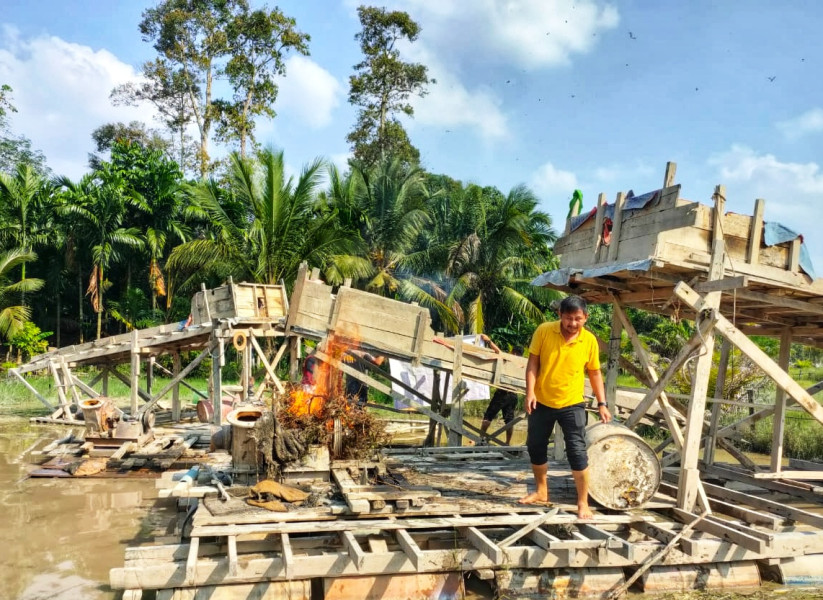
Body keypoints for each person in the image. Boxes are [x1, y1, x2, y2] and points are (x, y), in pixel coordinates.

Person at [519, 295, 611, 519]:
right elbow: (533, 363)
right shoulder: (544, 331)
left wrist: (602, 403)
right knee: (535, 446)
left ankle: (582, 502)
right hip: (542, 400)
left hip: (572, 403)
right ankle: (541, 491)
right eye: (568, 318)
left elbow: (595, 372)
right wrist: (530, 392)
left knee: (577, 451)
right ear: (560, 315)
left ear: (585, 317)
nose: (572, 324)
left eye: (578, 319)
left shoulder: (589, 340)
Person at [478, 335, 520, 445]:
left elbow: (498, 352)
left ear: (514, 353)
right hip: (513, 394)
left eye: (511, 352)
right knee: (509, 420)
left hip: (502, 393)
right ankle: (507, 443)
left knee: (488, 416)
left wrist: (488, 341)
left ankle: (481, 439)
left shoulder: (510, 359)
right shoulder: (522, 364)